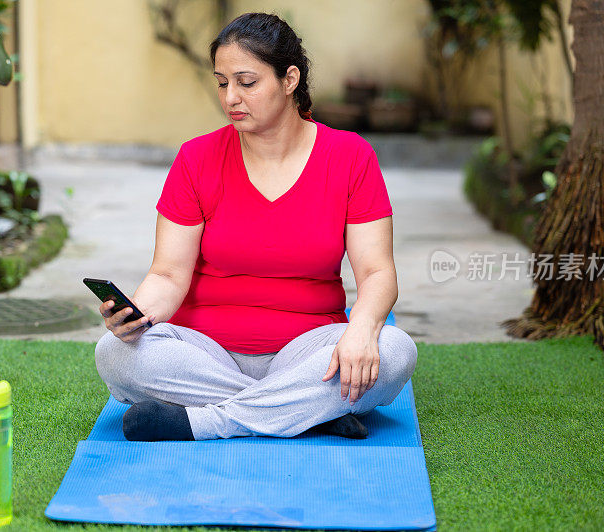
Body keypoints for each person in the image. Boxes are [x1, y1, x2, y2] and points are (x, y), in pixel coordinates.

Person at [95, 12, 417, 442]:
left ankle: (210, 421)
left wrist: (361, 330)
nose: (231, 98)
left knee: (394, 350)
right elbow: (168, 274)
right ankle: (309, 411)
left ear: (289, 80)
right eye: (222, 82)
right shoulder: (196, 158)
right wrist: (136, 316)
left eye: (246, 82)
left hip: (309, 350)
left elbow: (377, 272)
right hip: (205, 352)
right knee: (114, 354)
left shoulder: (350, 157)